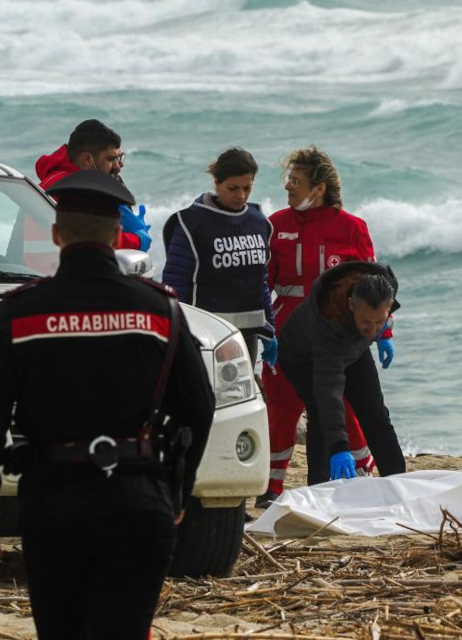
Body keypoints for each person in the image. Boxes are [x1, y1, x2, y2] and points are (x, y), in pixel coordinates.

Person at [0, 170, 214, 640]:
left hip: (55, 505)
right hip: (140, 504)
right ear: (119, 234)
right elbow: (200, 405)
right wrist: (177, 490)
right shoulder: (161, 310)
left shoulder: (19, 312)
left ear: (56, 234)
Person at [260, 146, 390, 504]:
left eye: (296, 181)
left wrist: (385, 332)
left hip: (338, 336)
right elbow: (262, 284)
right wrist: (262, 328)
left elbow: (375, 286)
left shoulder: (352, 228)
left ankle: (362, 475)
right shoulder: (275, 224)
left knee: (343, 407)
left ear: (318, 188)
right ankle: (270, 490)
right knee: (281, 407)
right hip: (288, 336)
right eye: (289, 180)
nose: (288, 186)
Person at [277, 260, 406, 483]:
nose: (372, 329)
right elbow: (330, 392)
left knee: (375, 414)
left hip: (353, 348)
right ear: (351, 305)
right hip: (302, 357)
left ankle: (399, 483)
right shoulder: (329, 321)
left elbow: (373, 324)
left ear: (390, 304)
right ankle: (321, 488)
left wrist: (384, 335)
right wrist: (339, 448)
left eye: (379, 322)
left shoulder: (384, 285)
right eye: (366, 321)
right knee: (321, 414)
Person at [161, 147, 276, 363]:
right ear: (217, 182)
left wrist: (270, 329)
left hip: (247, 335)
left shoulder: (259, 222)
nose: (240, 196)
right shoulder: (191, 224)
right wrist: (176, 335)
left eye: (247, 188)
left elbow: (260, 281)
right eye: (232, 188)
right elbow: (175, 284)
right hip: (204, 336)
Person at [35, 118, 152, 252]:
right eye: (111, 159)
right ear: (87, 160)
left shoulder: (56, 180)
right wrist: (137, 241)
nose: (118, 166)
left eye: (119, 157)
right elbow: (95, 239)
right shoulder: (71, 190)